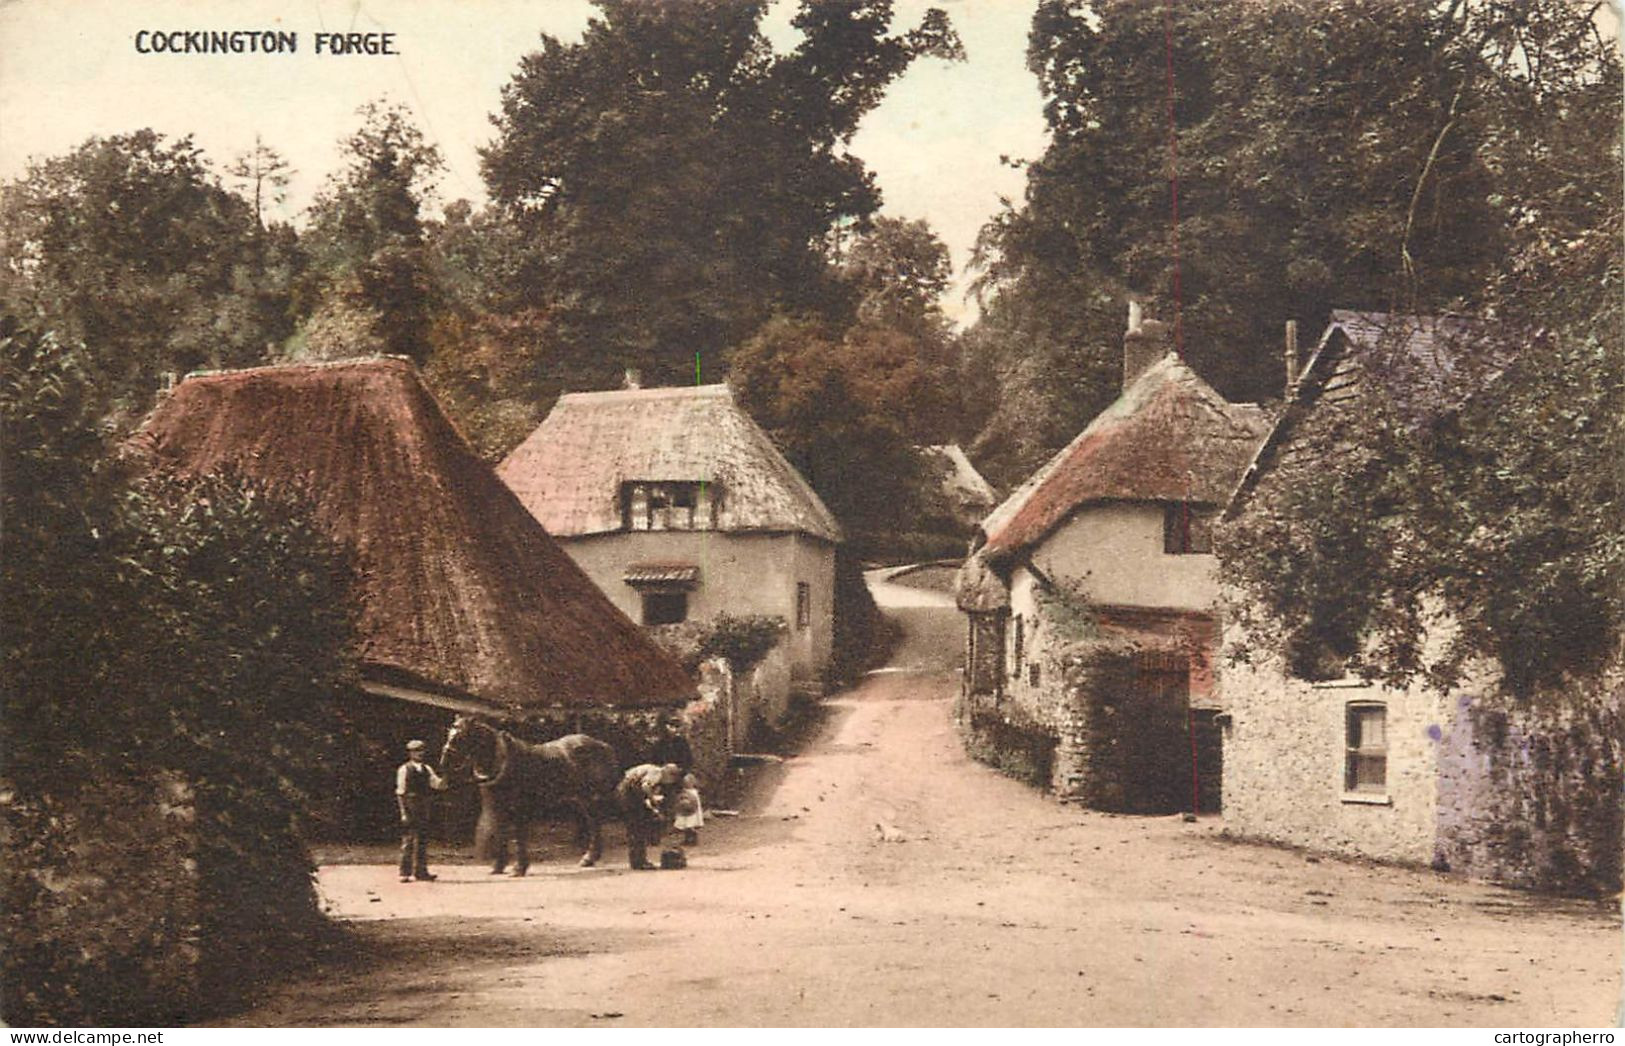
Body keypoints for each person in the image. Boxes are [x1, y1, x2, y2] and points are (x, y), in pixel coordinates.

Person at [396, 739, 447, 882]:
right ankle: (404, 873)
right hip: (410, 806)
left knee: (422, 840)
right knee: (409, 840)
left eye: (421, 750)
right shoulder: (404, 769)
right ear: (410, 753)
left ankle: (421, 872)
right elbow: (400, 793)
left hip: (424, 806)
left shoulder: (427, 769)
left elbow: (438, 785)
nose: (419, 753)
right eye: (416, 751)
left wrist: (446, 776)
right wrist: (403, 813)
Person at [616, 762, 682, 870]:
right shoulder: (657, 772)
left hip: (625, 792)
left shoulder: (652, 769)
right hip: (629, 795)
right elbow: (645, 786)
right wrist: (653, 799)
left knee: (635, 828)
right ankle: (639, 862)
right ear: (669, 774)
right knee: (637, 828)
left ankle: (638, 860)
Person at [672, 771, 704, 847]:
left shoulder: (693, 792)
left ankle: (694, 839)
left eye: (688, 782)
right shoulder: (684, 791)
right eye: (685, 782)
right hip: (684, 810)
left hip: (691, 811)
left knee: (690, 826)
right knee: (685, 826)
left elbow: (694, 803)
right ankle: (687, 840)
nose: (686, 784)